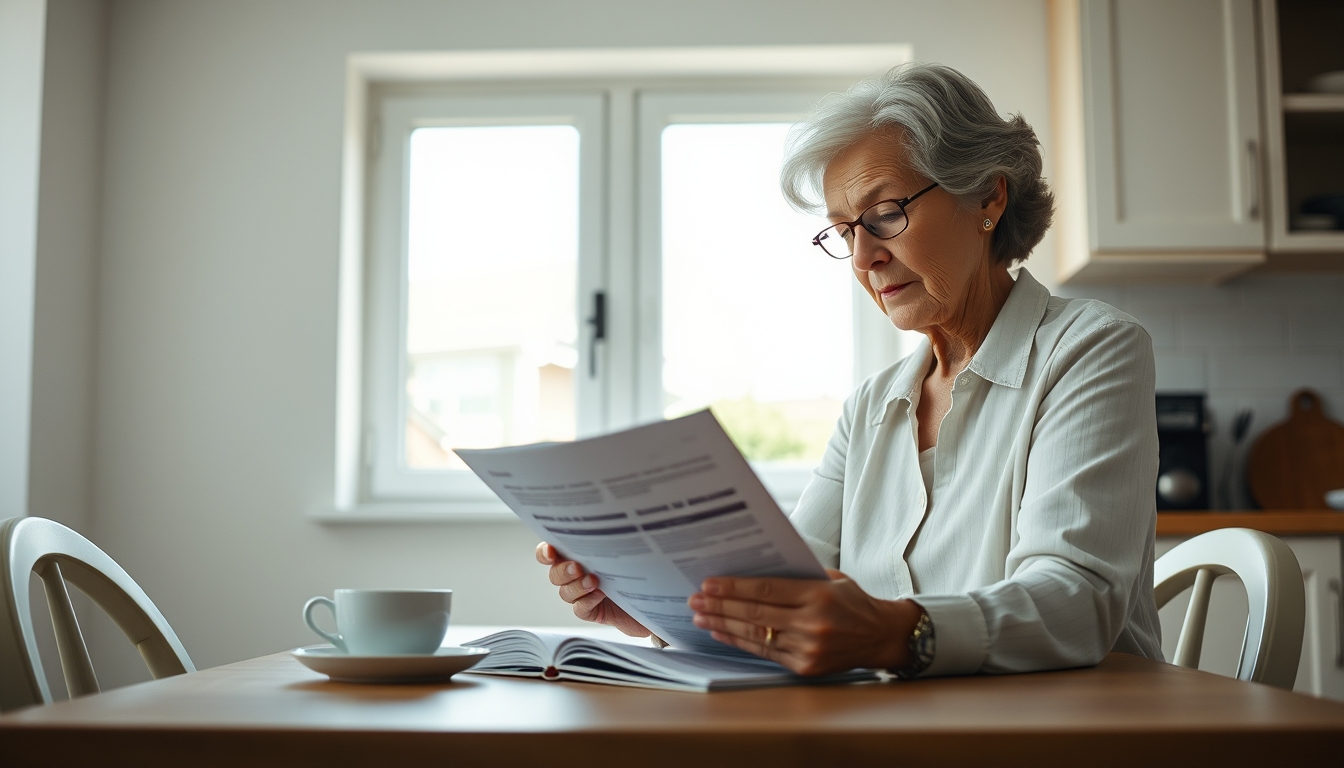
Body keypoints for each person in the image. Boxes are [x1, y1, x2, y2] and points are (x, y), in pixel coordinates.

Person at [536, 62, 1163, 679]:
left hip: (1069, 731)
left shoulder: (1091, 350)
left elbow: (1076, 601)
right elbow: (792, 586)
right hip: (902, 733)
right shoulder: (871, 407)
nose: (864, 257)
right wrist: (660, 604)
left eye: (885, 215)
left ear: (987, 196)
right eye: (844, 231)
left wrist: (891, 633)